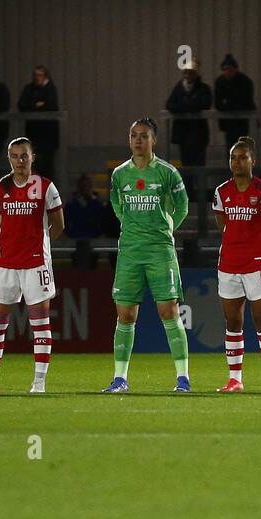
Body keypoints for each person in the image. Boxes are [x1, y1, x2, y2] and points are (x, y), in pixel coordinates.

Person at [104, 119, 192, 393]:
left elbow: (183, 207)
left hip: (159, 251)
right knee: (125, 314)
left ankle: (182, 378)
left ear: (154, 140)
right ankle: (119, 379)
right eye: (134, 136)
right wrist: (133, 228)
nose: (138, 140)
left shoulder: (167, 173)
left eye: (144, 136)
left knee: (169, 311)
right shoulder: (119, 174)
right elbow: (117, 205)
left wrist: (165, 228)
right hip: (130, 250)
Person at [0, 138, 65, 395]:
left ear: (33, 157)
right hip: (5, 263)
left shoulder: (46, 187)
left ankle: (39, 382)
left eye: (24, 156)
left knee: (40, 323)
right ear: (9, 158)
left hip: (36, 263)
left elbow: (58, 225)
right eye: (14, 156)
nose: (19, 161)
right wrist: (10, 240)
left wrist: (39, 242)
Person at [212, 137, 261, 393]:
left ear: (254, 160)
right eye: (233, 157)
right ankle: (235, 379)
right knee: (232, 323)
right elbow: (224, 227)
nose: (237, 162)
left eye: (242, 157)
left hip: (258, 265)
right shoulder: (222, 192)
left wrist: (260, 254)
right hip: (229, 264)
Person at [165, 59, 212, 171]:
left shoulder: (204, 88)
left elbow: (205, 104)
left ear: (196, 74)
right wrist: (190, 106)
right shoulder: (179, 88)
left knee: (199, 165)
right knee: (186, 165)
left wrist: (183, 106)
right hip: (184, 135)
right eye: (186, 72)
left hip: (198, 134)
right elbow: (169, 105)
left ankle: (199, 188)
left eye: (190, 72)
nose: (187, 75)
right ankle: (189, 188)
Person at [17, 66, 60, 180]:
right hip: (33, 135)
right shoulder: (29, 89)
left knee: (47, 166)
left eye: (40, 75)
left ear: (45, 76)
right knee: (34, 165)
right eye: (35, 75)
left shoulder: (50, 90)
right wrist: (36, 105)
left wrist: (33, 106)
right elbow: (21, 105)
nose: (37, 78)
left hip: (48, 136)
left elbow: (50, 106)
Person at [214, 54, 256, 148]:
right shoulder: (220, 82)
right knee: (230, 147)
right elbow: (218, 103)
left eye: (229, 69)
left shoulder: (245, 81)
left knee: (241, 146)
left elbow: (246, 101)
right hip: (228, 122)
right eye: (225, 69)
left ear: (236, 69)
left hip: (241, 121)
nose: (227, 72)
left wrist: (227, 104)